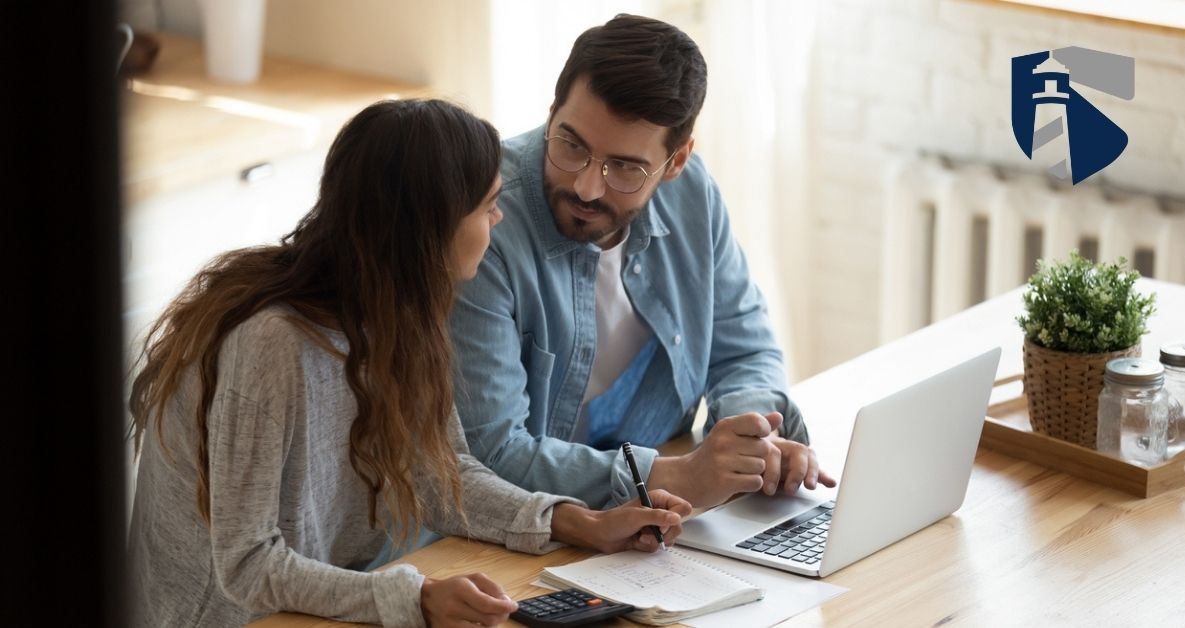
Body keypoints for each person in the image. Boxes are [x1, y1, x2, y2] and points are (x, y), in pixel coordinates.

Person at [127, 99, 690, 628]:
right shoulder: (271, 343)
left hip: (318, 607)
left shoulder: (402, 315)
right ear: (428, 229)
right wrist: (414, 597)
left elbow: (440, 477)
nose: (498, 219)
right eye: (487, 204)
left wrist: (582, 522)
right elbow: (247, 564)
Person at [451, 14, 837, 512]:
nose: (587, 186)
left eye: (625, 167)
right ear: (552, 113)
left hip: (662, 518)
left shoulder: (693, 193)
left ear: (676, 162)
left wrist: (748, 438)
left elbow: (743, 350)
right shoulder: (484, 221)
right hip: (532, 526)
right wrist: (677, 475)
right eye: (572, 144)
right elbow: (491, 454)